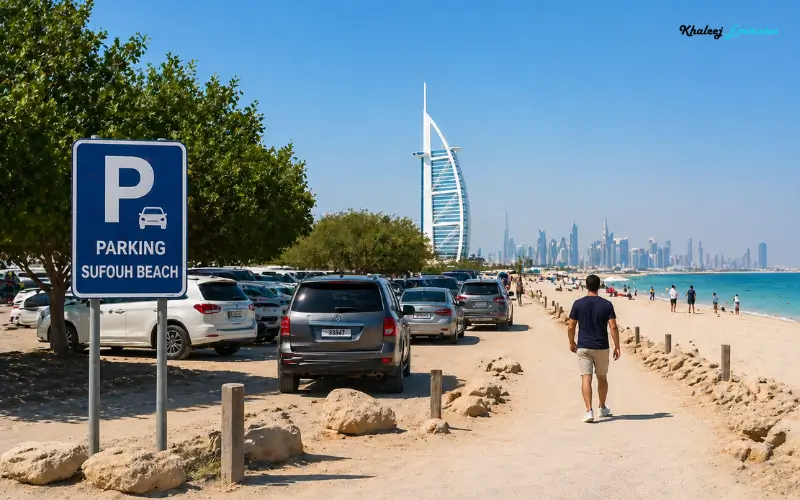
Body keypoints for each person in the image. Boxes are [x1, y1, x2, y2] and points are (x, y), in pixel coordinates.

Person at [567, 274, 620, 423]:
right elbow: (613, 327)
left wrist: (571, 342)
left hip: (583, 346)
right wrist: (617, 346)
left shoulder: (578, 304)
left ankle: (589, 411)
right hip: (602, 346)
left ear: (586, 286)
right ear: (599, 286)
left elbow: (571, 326)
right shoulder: (607, 304)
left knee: (586, 377)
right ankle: (602, 408)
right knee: (602, 378)